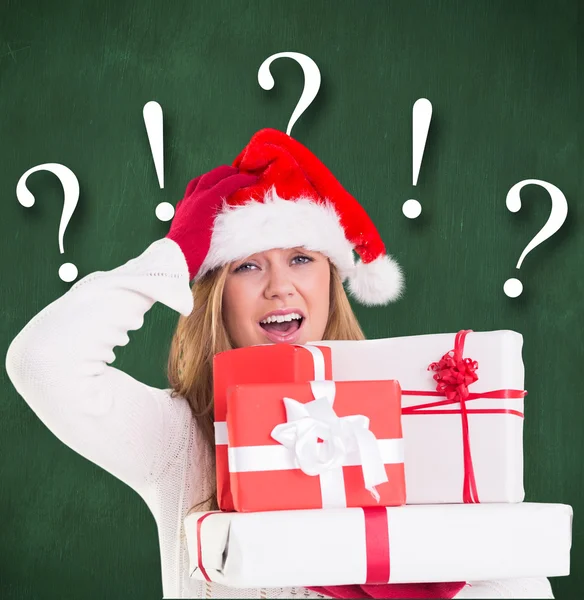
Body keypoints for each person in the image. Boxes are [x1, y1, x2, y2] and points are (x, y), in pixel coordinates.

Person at [5, 128, 554, 599]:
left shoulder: (415, 425)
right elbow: (44, 362)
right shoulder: (179, 437)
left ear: (332, 280)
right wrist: (173, 256)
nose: (280, 287)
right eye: (246, 266)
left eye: (300, 259)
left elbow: (513, 570)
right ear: (215, 291)